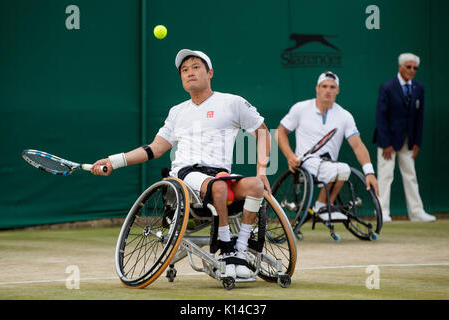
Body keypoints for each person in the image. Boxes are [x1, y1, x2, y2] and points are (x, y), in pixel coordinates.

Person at [91, 49, 272, 279]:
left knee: (256, 186)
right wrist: (114, 161)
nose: (189, 73)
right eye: (184, 70)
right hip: (186, 177)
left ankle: (241, 248)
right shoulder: (177, 112)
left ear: (210, 73)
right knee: (217, 185)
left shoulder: (232, 103)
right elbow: (153, 149)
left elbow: (263, 133)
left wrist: (262, 171)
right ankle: (225, 247)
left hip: (220, 175)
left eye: (196, 67)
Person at [277, 71, 379, 221]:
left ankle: (323, 205)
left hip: (330, 163)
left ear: (337, 90)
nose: (328, 90)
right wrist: (290, 155)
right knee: (335, 169)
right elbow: (280, 132)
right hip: (305, 162)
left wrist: (369, 172)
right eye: (324, 86)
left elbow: (358, 145)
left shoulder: (345, 116)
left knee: (344, 169)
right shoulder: (300, 108)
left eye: (332, 87)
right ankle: (323, 206)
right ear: (317, 88)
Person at [373, 53, 435, 222]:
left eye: (415, 68)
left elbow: (419, 117)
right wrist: (386, 143)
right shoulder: (387, 87)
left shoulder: (419, 88)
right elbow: (381, 117)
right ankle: (382, 212)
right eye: (408, 67)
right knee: (385, 176)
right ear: (400, 67)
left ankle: (416, 212)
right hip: (388, 142)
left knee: (410, 175)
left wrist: (417, 142)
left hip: (408, 141)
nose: (412, 70)